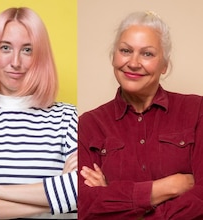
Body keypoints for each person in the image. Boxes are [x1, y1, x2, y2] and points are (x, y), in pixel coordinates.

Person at [0, 7, 78, 219]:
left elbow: (81, 188)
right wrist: (56, 199)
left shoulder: (69, 119)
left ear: (41, 56)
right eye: (5, 48)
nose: (16, 62)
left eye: (28, 50)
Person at [78, 11, 203, 219]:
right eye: (126, 51)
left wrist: (114, 198)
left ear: (164, 65)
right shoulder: (88, 125)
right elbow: (85, 204)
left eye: (147, 54)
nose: (134, 63)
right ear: (113, 57)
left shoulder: (197, 110)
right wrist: (164, 188)